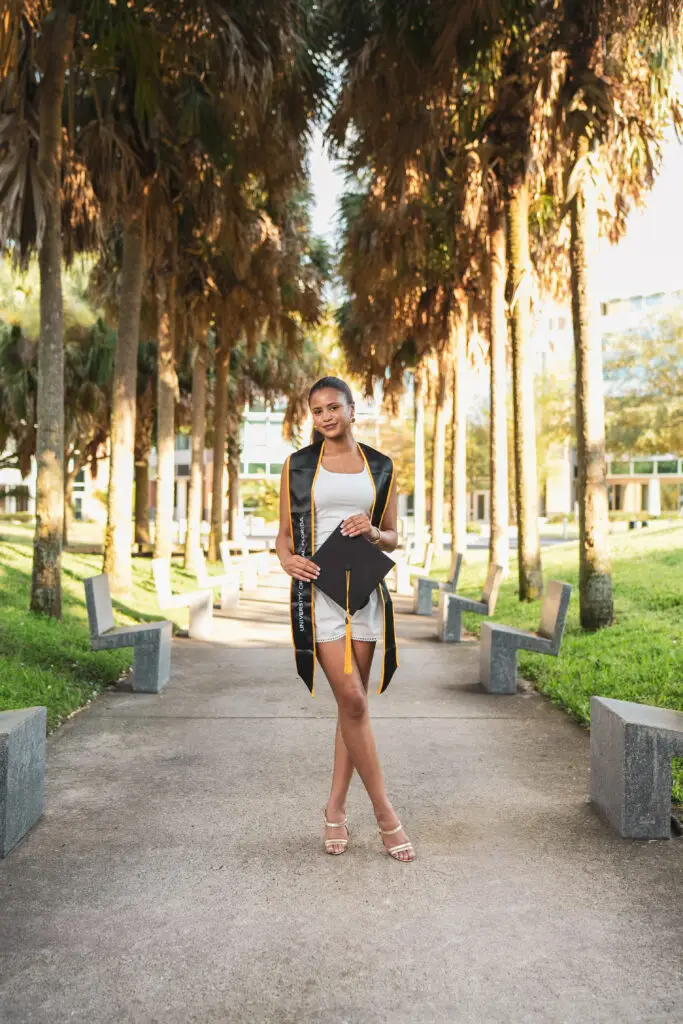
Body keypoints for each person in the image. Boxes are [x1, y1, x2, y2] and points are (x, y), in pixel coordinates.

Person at [276, 376, 415, 863]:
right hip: (318, 594)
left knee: (349, 709)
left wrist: (373, 530)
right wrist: (287, 561)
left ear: (353, 410)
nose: (326, 417)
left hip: (365, 593)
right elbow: (283, 538)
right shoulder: (297, 467)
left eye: (334, 407)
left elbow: (395, 536)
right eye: (317, 411)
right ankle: (385, 816)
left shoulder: (379, 466)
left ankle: (334, 809)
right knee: (352, 698)